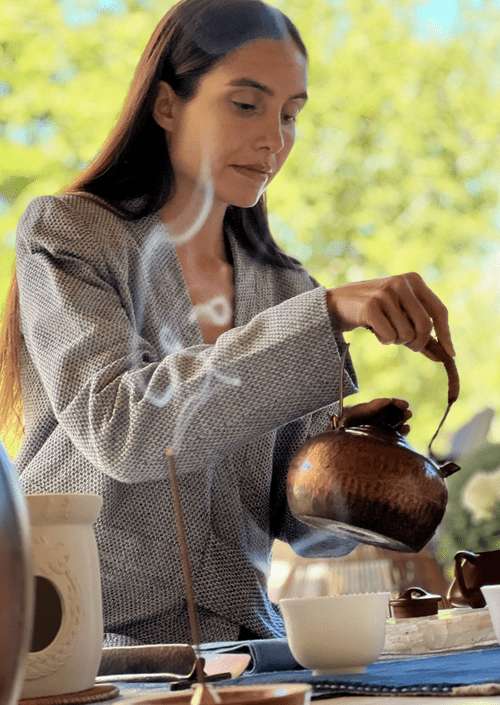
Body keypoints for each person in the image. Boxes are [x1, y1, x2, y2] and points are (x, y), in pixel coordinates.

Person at [0, 0, 454, 646]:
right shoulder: (72, 233)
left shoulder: (286, 288)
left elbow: (300, 531)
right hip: (77, 635)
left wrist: (344, 465)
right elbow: (121, 429)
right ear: (166, 106)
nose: (275, 139)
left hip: (243, 643)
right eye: (246, 104)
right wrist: (321, 317)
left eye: (291, 115)